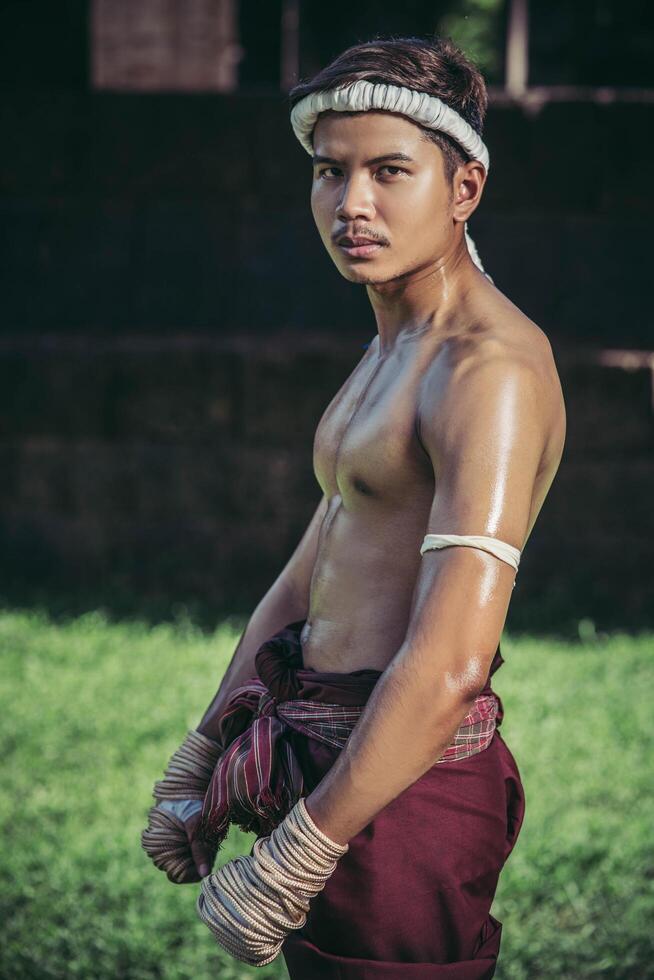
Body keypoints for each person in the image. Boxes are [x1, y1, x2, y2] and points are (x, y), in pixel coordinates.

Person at [142, 34, 566, 978]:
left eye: (389, 171)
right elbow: (308, 572)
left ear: (464, 190)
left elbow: (454, 658)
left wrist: (303, 849)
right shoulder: (392, 346)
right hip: (325, 760)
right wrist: (202, 751)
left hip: (402, 789)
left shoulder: (485, 369)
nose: (352, 204)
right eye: (331, 172)